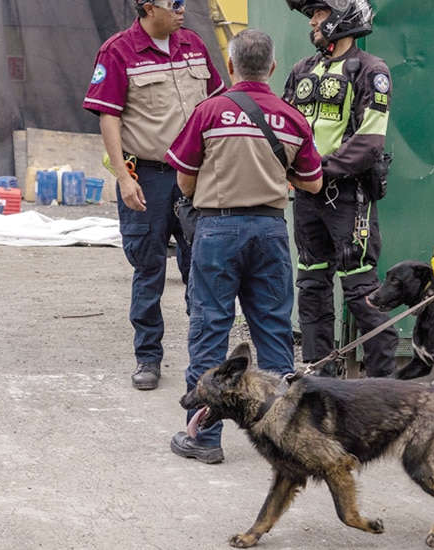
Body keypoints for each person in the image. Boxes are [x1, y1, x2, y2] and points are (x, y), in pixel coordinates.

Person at [164, 28, 323, 463]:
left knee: (210, 329)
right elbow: (313, 182)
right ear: (271, 68)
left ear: (231, 66)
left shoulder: (210, 111)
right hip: (270, 231)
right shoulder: (291, 118)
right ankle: (283, 440)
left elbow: (184, 178)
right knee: (272, 331)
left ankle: (204, 438)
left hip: (218, 231)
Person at [83, 0, 225, 391]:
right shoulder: (118, 51)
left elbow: (217, 100)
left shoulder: (193, 44)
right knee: (149, 269)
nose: (182, 9)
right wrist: (126, 179)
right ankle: (148, 356)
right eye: (174, 3)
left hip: (196, 176)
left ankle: (206, 359)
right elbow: (108, 116)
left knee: (203, 265)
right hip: (148, 176)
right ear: (147, 7)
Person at [282, 0, 398, 378]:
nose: (313, 22)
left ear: (344, 17)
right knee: (312, 286)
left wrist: (319, 171)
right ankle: (320, 381)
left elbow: (370, 141)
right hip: (305, 196)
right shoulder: (302, 69)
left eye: (320, 14)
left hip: (348, 197)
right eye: (312, 16)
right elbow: (283, 124)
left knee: (360, 289)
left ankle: (384, 384)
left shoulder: (372, 70)